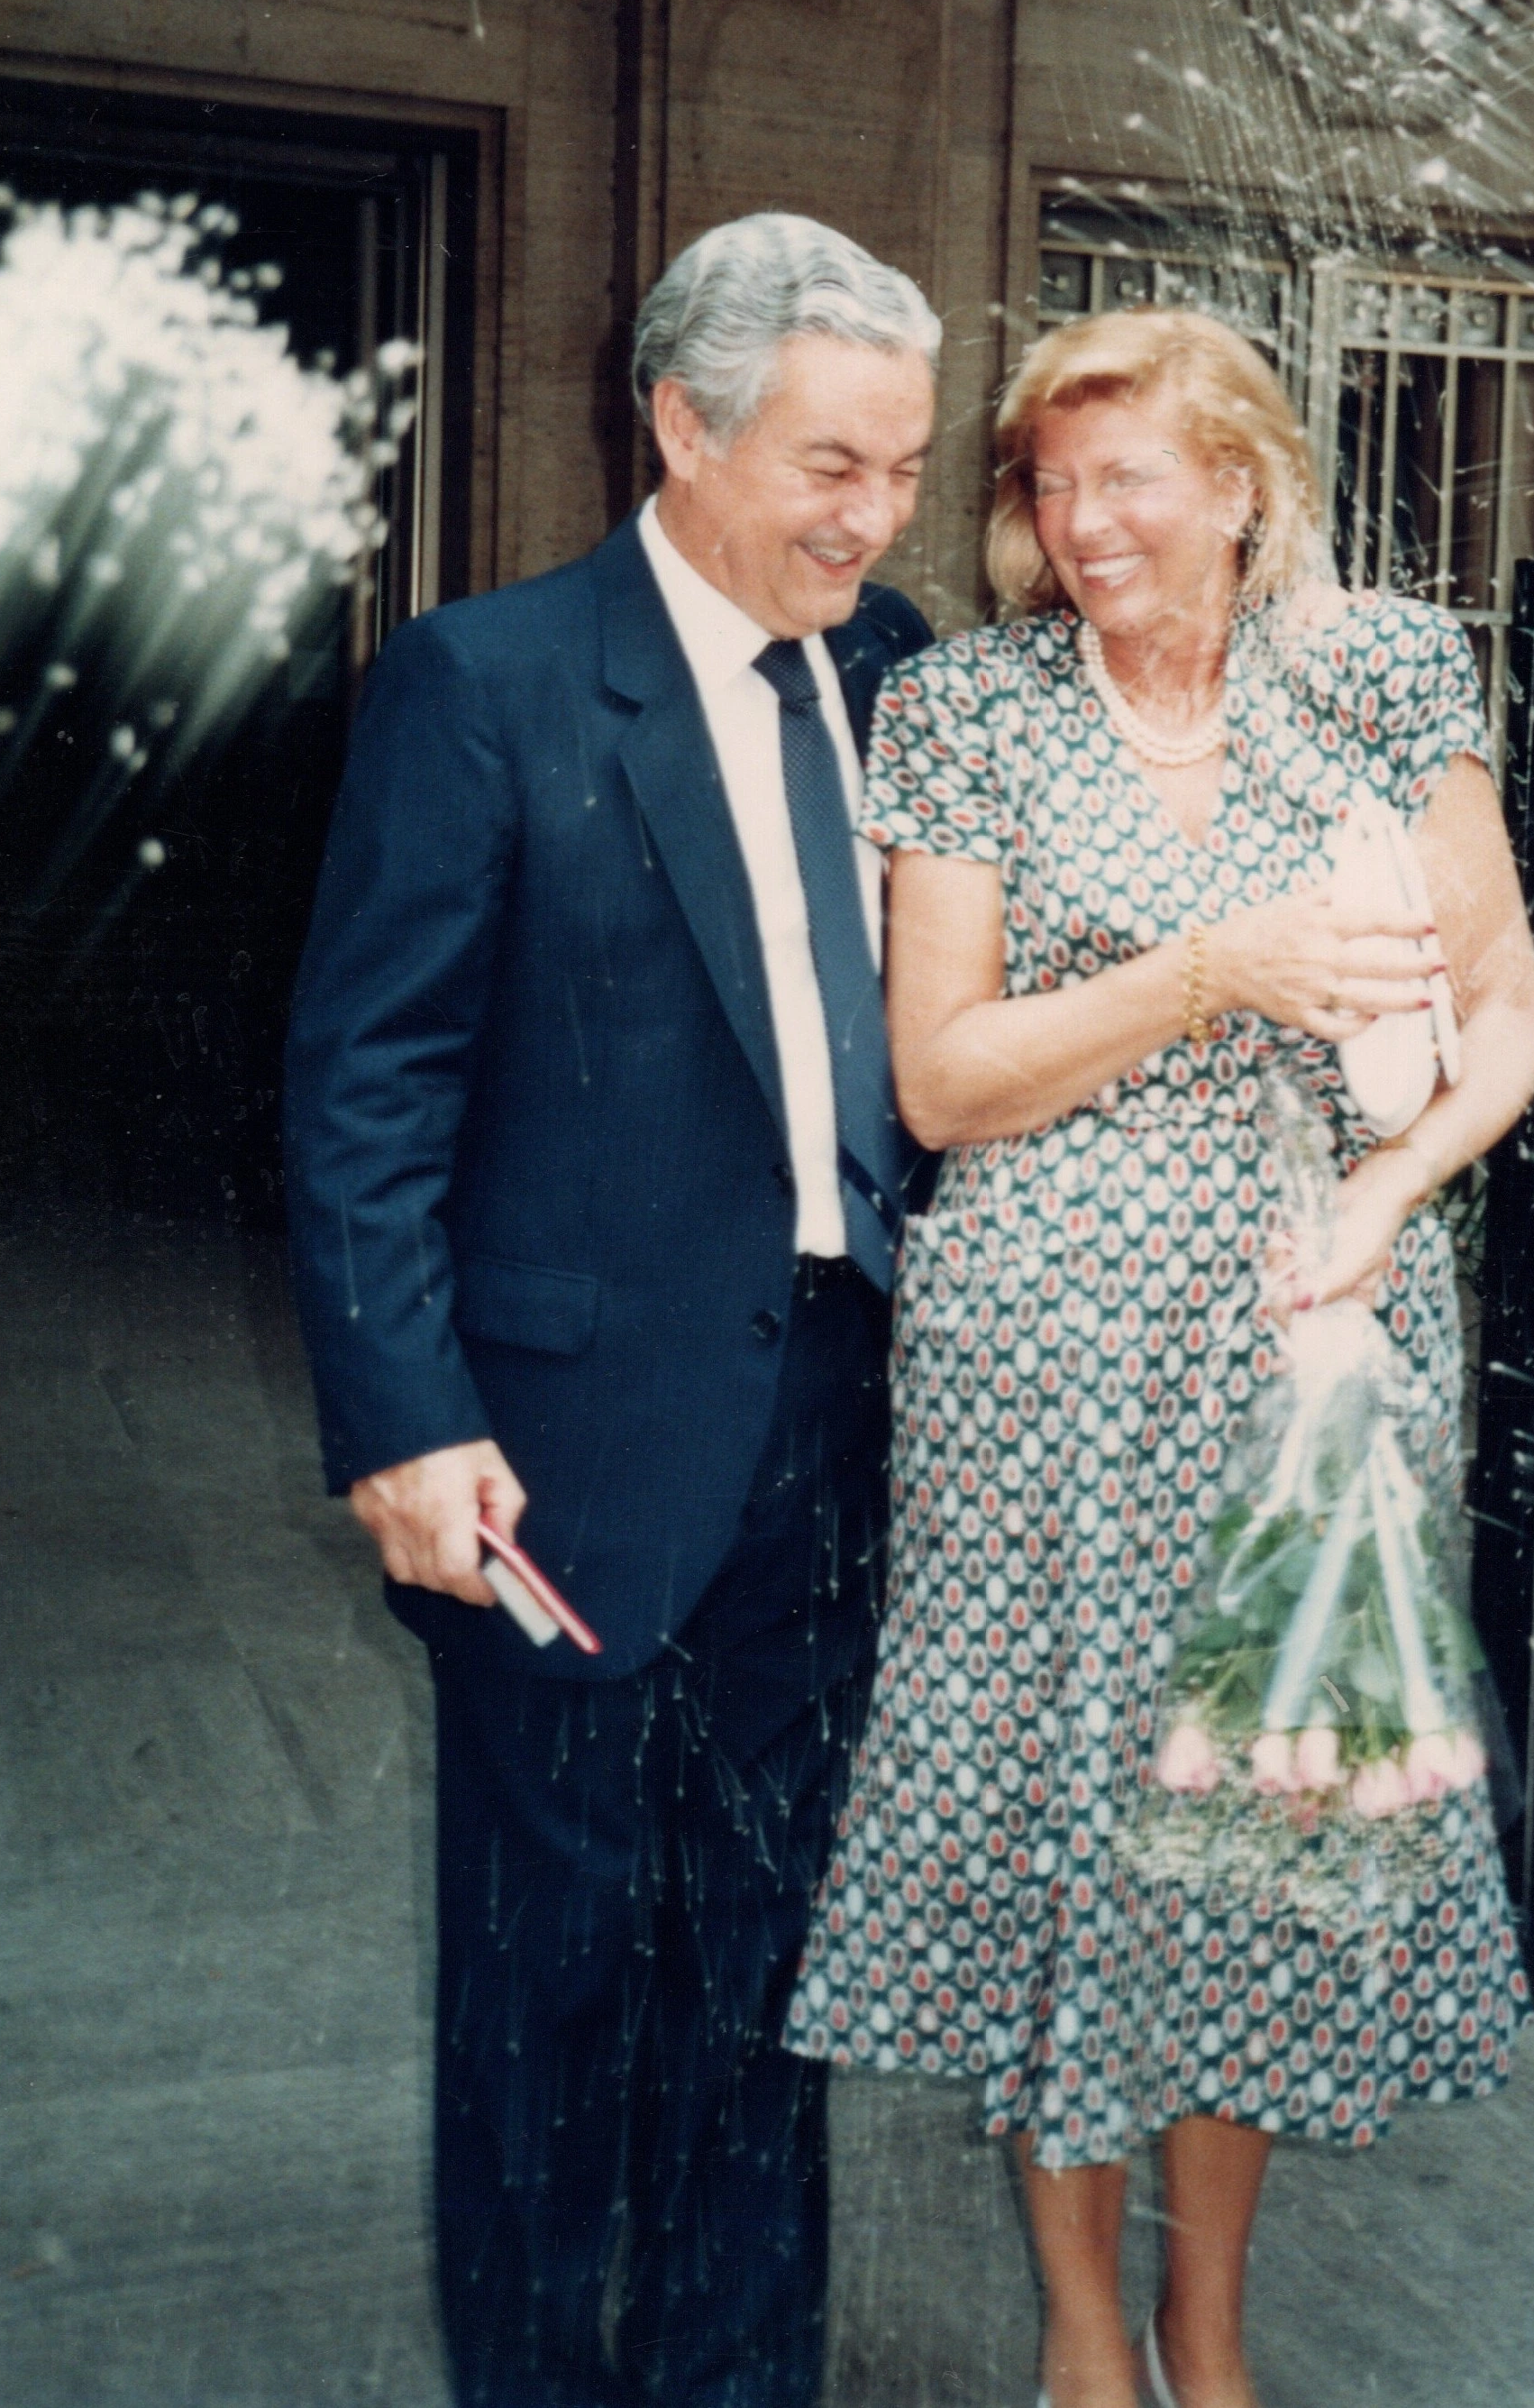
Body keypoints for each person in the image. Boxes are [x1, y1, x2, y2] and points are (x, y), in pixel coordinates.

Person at [784, 307, 1534, 2408]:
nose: (1080, 522)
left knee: (1255, 1844)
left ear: (1237, 482)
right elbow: (941, 1079)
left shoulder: (1379, 674)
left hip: (1315, 1348)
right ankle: (1079, 2337)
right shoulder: (965, 706)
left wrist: (1389, 1194)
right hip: (1039, 1363)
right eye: (1047, 484)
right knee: (1067, 1829)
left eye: (1124, 477)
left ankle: (1203, 2329)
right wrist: (1214, 968)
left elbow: (1505, 1010)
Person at [284, 212, 938, 2408]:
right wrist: (403, 1416)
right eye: (830, 464)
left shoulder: (901, 669)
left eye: (903, 469)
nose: (872, 518)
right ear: (679, 420)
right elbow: (365, 1082)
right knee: (549, 1992)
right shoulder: (487, 683)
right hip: (556, 1457)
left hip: (834, 1442)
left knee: (770, 1977)